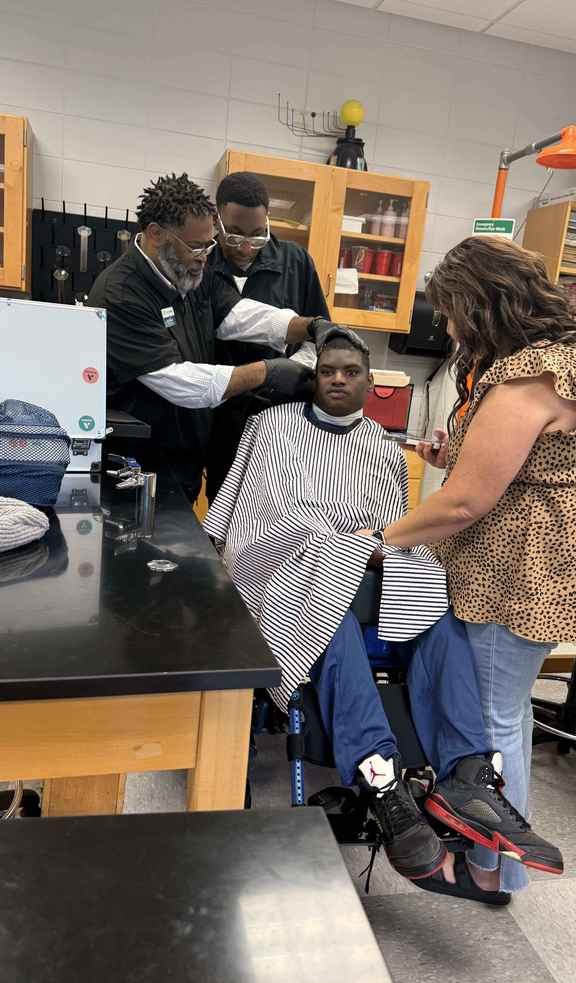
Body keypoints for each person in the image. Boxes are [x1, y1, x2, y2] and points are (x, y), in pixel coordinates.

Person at [204, 323, 562, 898]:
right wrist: (322, 546)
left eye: (350, 373)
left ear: (372, 383)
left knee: (433, 605)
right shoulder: (267, 427)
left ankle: (468, 774)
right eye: (327, 372)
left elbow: (397, 526)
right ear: (313, 378)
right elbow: (240, 518)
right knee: (327, 606)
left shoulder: (382, 446)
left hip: (371, 560)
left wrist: (373, 548)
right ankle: (383, 783)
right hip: (288, 560)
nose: (338, 381)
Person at [378, 235, 576, 898]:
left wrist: (383, 537)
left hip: (514, 574)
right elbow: (522, 468)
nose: (450, 327)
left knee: (492, 721)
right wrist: (451, 452)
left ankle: (491, 871)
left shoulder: (526, 379)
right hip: (544, 564)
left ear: (485, 305)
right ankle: (500, 863)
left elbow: (465, 502)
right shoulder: (558, 362)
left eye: (454, 311)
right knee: (507, 711)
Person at [88, 173, 317, 501]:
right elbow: (179, 382)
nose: (204, 256)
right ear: (155, 235)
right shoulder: (122, 294)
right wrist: (267, 371)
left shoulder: (189, 274)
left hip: (185, 461)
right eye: (195, 246)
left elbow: (239, 315)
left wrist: (309, 326)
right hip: (135, 467)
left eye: (209, 245)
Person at [206, 171, 330, 502]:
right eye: (234, 235)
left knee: (272, 507)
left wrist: (290, 372)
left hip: (280, 418)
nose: (246, 246)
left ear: (269, 221)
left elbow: (317, 337)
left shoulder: (295, 262)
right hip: (217, 418)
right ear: (216, 220)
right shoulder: (202, 262)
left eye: (258, 235)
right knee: (221, 509)